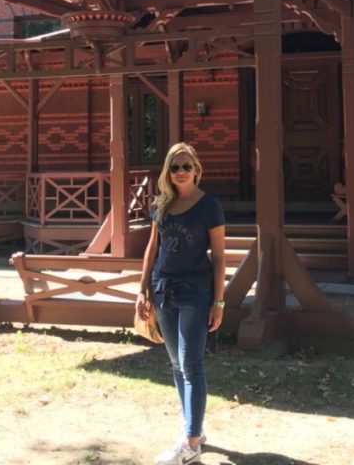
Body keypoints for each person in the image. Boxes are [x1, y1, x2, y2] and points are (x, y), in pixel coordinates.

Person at [137, 142, 226, 465]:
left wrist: (219, 300)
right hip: (163, 289)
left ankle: (190, 444)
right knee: (176, 364)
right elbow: (152, 249)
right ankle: (193, 429)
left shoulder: (210, 206)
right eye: (175, 167)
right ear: (168, 172)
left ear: (196, 169)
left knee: (192, 364)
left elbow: (218, 255)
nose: (181, 172)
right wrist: (142, 289)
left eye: (187, 166)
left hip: (196, 292)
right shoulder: (161, 205)